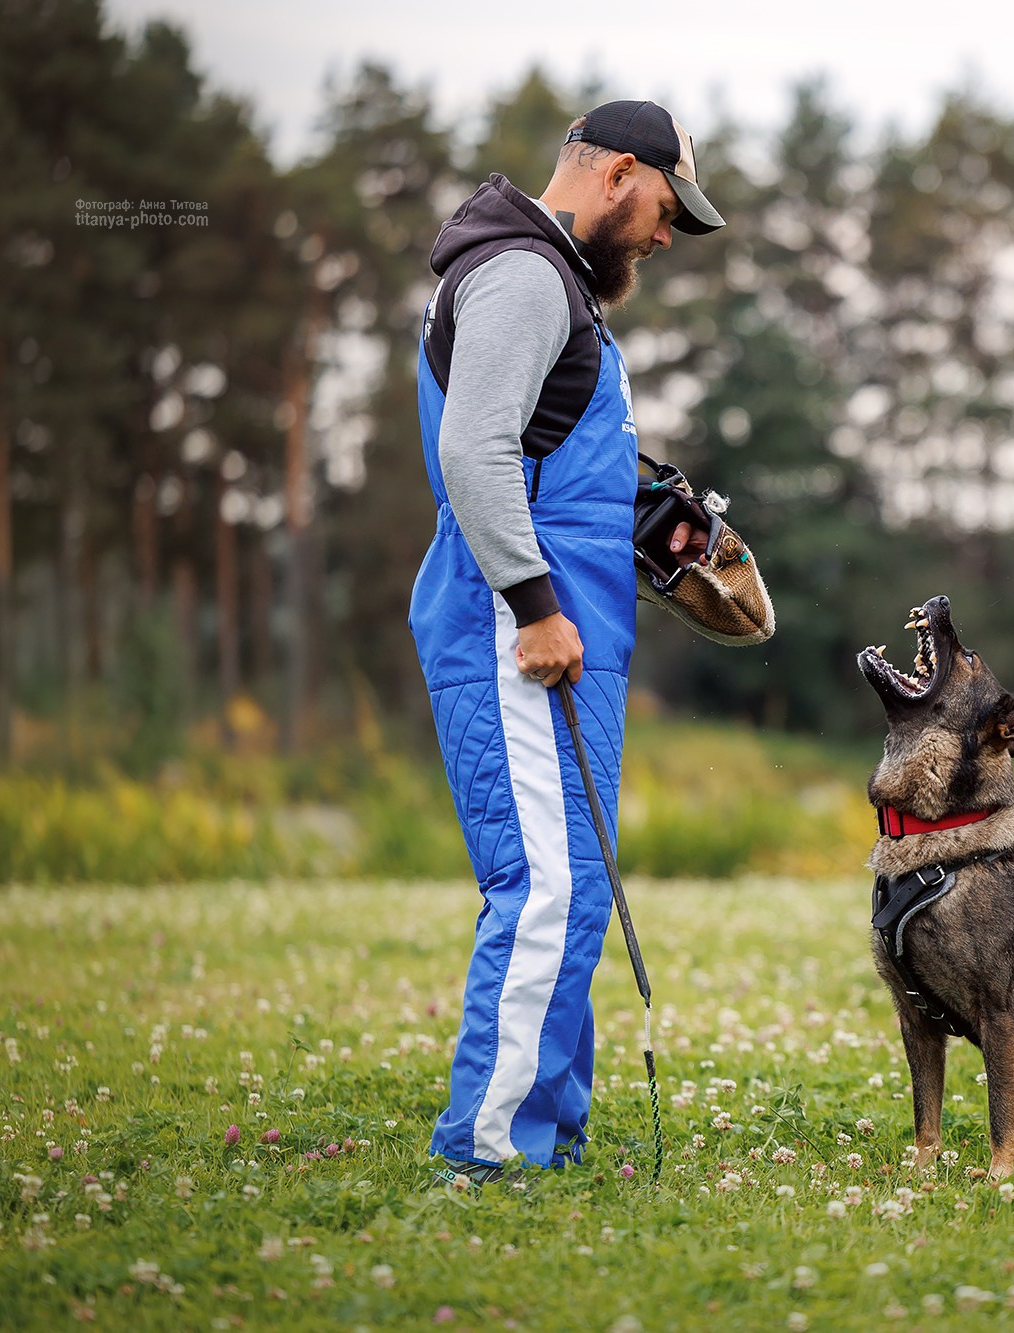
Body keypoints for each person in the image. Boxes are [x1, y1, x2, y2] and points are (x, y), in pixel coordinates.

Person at [408, 100, 725, 1181]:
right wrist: (537, 604)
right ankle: (490, 1153)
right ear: (619, 173)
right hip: (517, 630)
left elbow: (546, 465)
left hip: (560, 633)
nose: (666, 233)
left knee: (573, 886)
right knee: (542, 888)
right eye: (666, 208)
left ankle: (548, 1130)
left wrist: (651, 520)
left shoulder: (559, 289)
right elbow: (476, 450)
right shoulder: (522, 276)